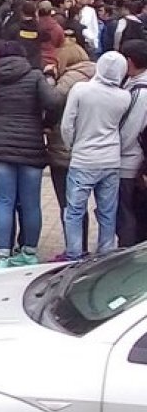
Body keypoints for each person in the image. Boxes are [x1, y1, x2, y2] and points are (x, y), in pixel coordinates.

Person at [0, 41, 59, 269]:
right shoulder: (35, 76)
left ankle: (1, 257)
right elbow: (54, 101)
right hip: (31, 145)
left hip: (0, 144)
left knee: (3, 202)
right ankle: (28, 253)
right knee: (31, 204)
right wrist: (45, 124)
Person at [60, 51, 129, 261]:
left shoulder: (81, 90)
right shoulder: (124, 97)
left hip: (83, 159)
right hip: (111, 159)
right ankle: (105, 255)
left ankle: (74, 255)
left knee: (74, 210)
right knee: (108, 212)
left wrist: (71, 146)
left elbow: (67, 124)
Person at [45, 42, 96, 255]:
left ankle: (74, 249)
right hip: (94, 150)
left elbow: (52, 103)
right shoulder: (98, 75)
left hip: (64, 151)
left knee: (68, 204)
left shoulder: (68, 80)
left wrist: (49, 78)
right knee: (83, 204)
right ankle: (86, 246)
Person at [118, 40, 147, 248]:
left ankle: (128, 254)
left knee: (127, 213)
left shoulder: (140, 91)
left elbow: (130, 129)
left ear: (129, 61)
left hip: (130, 162)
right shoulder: (133, 84)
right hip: (133, 160)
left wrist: (114, 150)